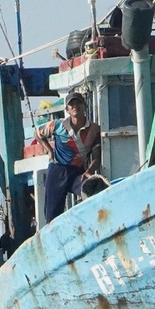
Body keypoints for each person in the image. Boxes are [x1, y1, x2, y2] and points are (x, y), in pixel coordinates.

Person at [35, 92, 100, 228]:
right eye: (71, 104)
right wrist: (49, 149)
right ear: (67, 110)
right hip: (57, 170)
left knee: (91, 191)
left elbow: (97, 156)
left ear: (85, 106)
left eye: (78, 103)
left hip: (78, 172)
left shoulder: (94, 130)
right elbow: (37, 133)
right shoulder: (57, 125)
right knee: (52, 214)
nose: (75, 106)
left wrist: (89, 171)